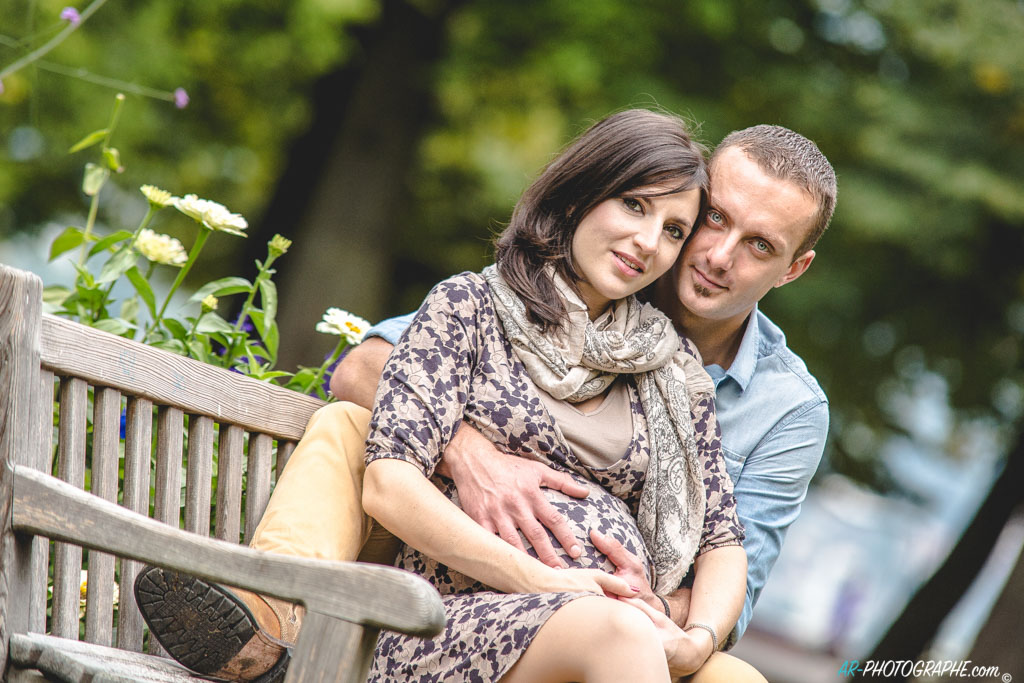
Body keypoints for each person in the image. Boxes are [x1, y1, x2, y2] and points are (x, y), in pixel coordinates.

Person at [136, 117, 835, 682]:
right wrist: (472, 454)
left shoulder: (675, 363)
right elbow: (368, 374)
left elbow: (727, 547)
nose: (709, 253)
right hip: (457, 586)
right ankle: (269, 619)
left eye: (757, 244)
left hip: (618, 610)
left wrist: (673, 622)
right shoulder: (499, 300)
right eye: (709, 221)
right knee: (351, 421)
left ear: (793, 268)